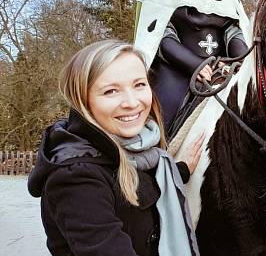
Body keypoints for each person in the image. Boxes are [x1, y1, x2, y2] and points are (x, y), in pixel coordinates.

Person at [28, 40, 205, 256]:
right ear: (83, 100)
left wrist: (180, 169)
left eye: (139, 84)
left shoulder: (136, 149)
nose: (132, 102)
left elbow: (140, 182)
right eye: (111, 91)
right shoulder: (76, 177)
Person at [133, 0, 249, 132]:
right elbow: (160, 35)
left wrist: (239, 61)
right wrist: (195, 65)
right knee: (160, 117)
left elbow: (234, 31)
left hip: (223, 65)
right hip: (177, 68)